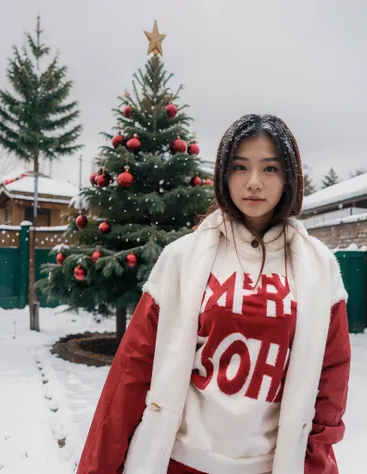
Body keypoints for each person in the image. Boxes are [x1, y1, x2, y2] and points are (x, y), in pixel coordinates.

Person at [76, 114, 351, 474]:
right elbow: (131, 372)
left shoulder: (319, 267)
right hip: (181, 462)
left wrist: (315, 464)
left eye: (269, 169)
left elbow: (330, 387)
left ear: (289, 178)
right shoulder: (182, 258)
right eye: (240, 167)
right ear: (223, 173)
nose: (253, 183)